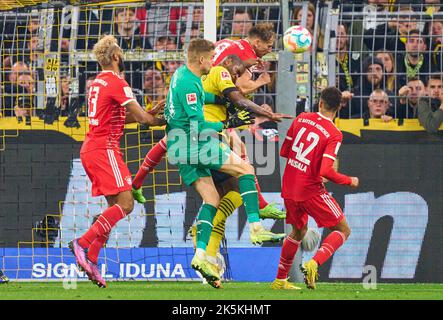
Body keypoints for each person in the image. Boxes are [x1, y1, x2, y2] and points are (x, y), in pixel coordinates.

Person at [163, 38, 286, 288]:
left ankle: (201, 257)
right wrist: (227, 124)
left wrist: (220, 102)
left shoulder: (182, 75)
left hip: (178, 146)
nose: (213, 61)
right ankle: (255, 227)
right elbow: (198, 124)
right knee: (246, 169)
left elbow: (202, 96)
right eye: (210, 57)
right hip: (194, 142)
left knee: (212, 200)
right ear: (201, 59)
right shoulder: (190, 82)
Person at [69, 35, 166, 289]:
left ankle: (91, 258)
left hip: (93, 148)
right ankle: (82, 242)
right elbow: (144, 121)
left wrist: (150, 114)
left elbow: (122, 120)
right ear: (115, 57)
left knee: (113, 207)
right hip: (105, 149)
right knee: (126, 203)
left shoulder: (99, 82)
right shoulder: (116, 81)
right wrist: (160, 119)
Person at [271, 87, 359, 290]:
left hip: (290, 186)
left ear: (320, 103)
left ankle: (280, 280)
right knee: (343, 230)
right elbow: (326, 171)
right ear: (338, 109)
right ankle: (313, 263)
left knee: (298, 231)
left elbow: (285, 151)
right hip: (310, 190)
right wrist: (349, 180)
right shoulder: (334, 133)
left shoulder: (301, 118)